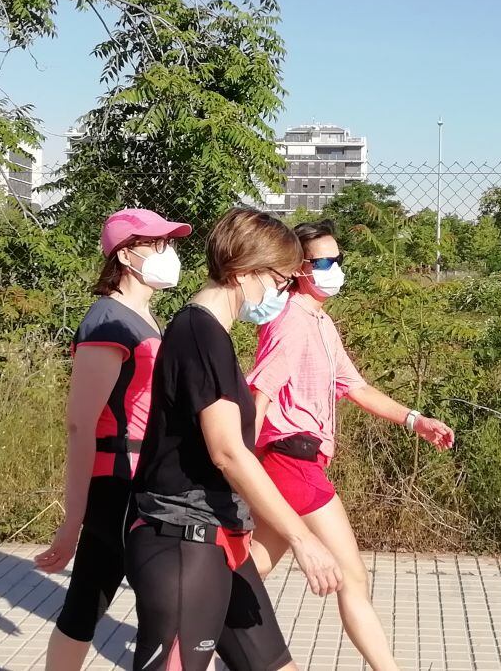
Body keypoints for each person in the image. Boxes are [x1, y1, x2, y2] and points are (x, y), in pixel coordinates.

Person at [126, 208, 343, 671]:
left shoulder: (213, 336)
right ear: (245, 271)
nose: (281, 291)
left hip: (221, 536)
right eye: (280, 280)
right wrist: (302, 539)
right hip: (184, 539)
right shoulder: (199, 335)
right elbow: (228, 452)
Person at [247, 219, 456, 671]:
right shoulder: (291, 320)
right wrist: (239, 464)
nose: (334, 269)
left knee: (251, 567)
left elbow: (355, 387)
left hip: (297, 461)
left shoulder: (319, 322)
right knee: (353, 576)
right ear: (298, 268)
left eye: (337, 259)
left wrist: (415, 420)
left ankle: (189, 612)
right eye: (323, 262)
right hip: (292, 459)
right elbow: (259, 392)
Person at [34, 208, 191, 671]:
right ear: (125, 255)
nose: (168, 252)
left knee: (85, 603)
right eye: (156, 243)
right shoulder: (107, 322)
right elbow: (81, 424)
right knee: (171, 606)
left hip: (141, 478)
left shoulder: (141, 317)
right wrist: (72, 522)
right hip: (121, 482)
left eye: (169, 243)